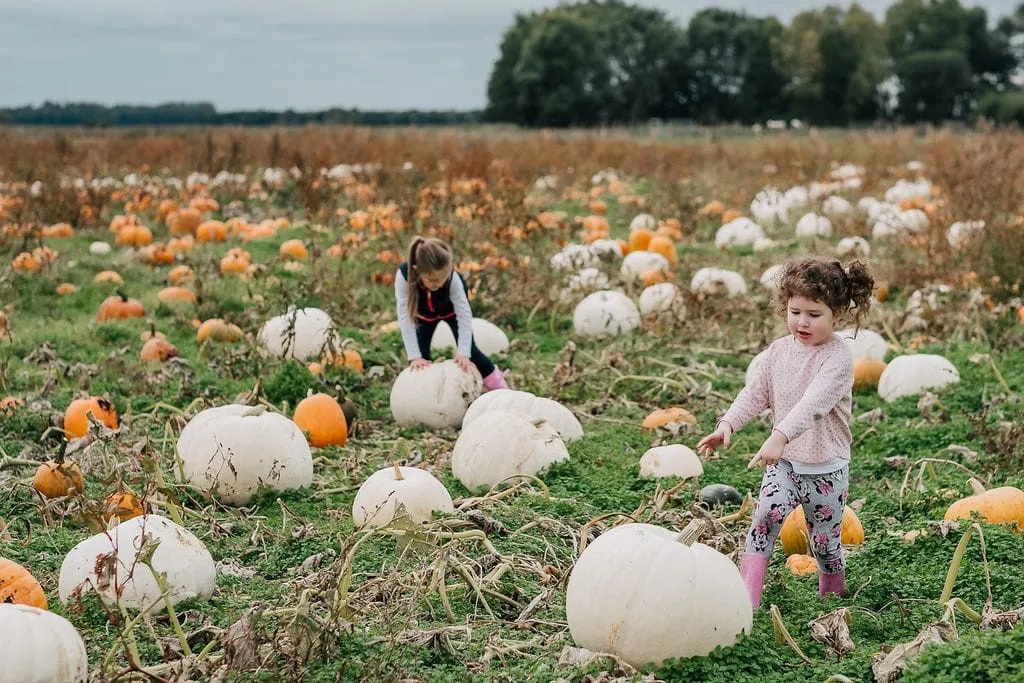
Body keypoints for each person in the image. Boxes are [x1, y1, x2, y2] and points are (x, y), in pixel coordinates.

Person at [697, 256, 874, 608]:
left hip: (827, 467)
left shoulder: (837, 359)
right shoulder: (778, 352)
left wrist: (778, 436)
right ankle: (747, 601)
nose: (802, 322)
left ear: (837, 315)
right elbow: (756, 392)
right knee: (765, 518)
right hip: (787, 464)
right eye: (795, 312)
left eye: (814, 314)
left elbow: (813, 404)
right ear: (785, 307)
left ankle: (832, 600)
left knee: (824, 543)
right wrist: (727, 424)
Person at [394, 236, 510, 391]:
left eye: (444, 278)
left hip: (452, 314)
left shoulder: (454, 279)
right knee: (421, 361)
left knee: (472, 353)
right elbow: (404, 316)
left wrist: (463, 352)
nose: (440, 283)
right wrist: (414, 356)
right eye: (433, 280)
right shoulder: (404, 276)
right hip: (423, 317)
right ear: (417, 270)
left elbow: (463, 314)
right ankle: (429, 395)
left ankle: (501, 388)